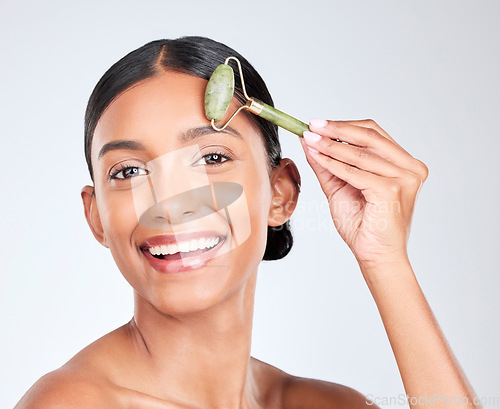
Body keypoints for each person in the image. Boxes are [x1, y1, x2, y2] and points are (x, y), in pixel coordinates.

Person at [15, 36, 481, 409]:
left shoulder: (331, 405)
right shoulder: (71, 404)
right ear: (95, 216)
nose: (172, 205)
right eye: (129, 172)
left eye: (212, 157)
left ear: (281, 193)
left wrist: (385, 260)